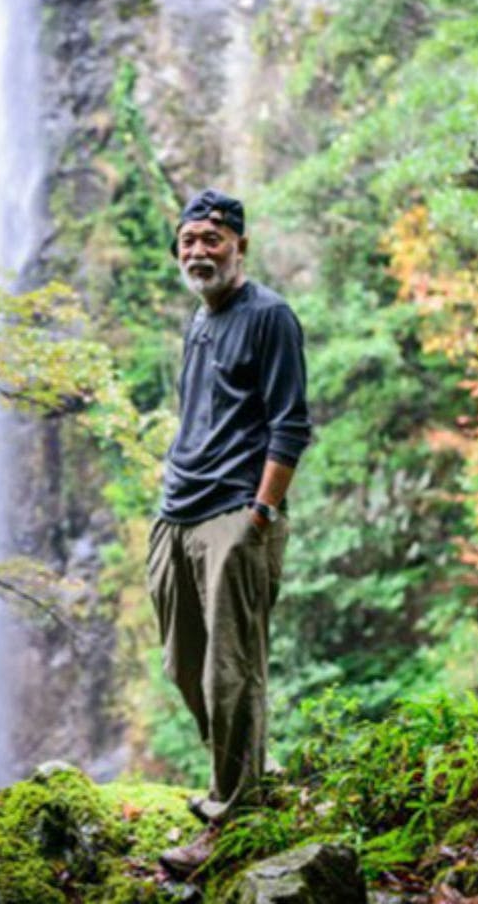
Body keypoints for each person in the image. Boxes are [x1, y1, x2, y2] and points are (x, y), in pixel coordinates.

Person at [147, 188, 312, 877]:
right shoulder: (199, 317)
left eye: (212, 239)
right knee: (185, 665)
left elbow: (290, 422)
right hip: (178, 510)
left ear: (239, 244)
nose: (198, 251)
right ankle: (246, 772)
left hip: (235, 515)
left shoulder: (270, 316)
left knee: (230, 671)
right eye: (188, 241)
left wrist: (261, 515)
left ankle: (233, 817)